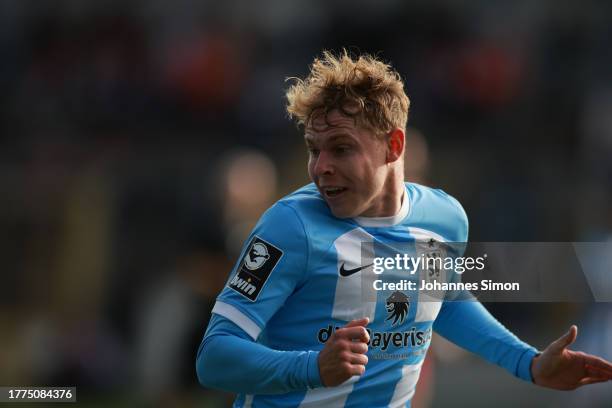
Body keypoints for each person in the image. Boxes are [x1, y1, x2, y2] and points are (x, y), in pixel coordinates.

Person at [196, 50, 612, 407]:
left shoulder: (443, 218)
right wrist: (312, 367)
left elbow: (442, 302)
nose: (321, 167)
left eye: (340, 148)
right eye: (313, 149)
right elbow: (214, 357)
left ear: (394, 146)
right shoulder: (288, 227)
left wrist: (530, 364)